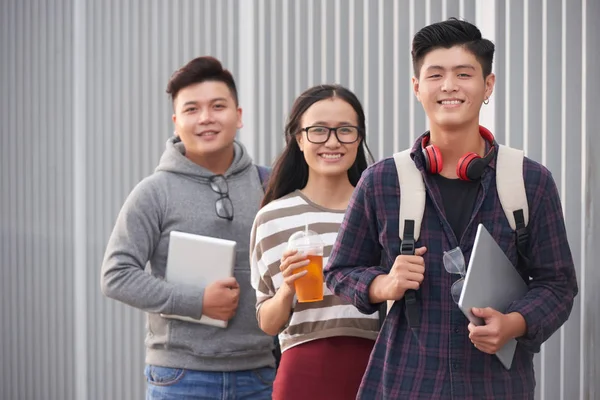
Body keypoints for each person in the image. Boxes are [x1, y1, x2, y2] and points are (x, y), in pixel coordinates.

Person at [324, 18, 578, 400]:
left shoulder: (530, 181)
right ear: (416, 87)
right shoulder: (382, 181)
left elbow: (558, 284)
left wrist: (515, 323)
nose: (449, 86)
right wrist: (384, 283)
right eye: (436, 75)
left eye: (464, 74)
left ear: (487, 85)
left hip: (498, 387)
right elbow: (340, 270)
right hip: (405, 383)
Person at [100, 56, 276, 400]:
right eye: (192, 109)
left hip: (261, 374)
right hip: (181, 378)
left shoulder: (268, 184)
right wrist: (196, 301)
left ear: (238, 116)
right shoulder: (154, 192)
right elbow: (115, 275)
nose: (206, 118)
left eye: (218, 106)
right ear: (176, 121)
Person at [249, 84, 379, 400]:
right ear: (299, 139)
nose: (332, 142)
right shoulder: (272, 219)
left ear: (359, 138)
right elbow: (268, 324)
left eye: (345, 130)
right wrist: (287, 290)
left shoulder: (382, 211)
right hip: (303, 375)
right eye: (318, 130)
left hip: (379, 369)